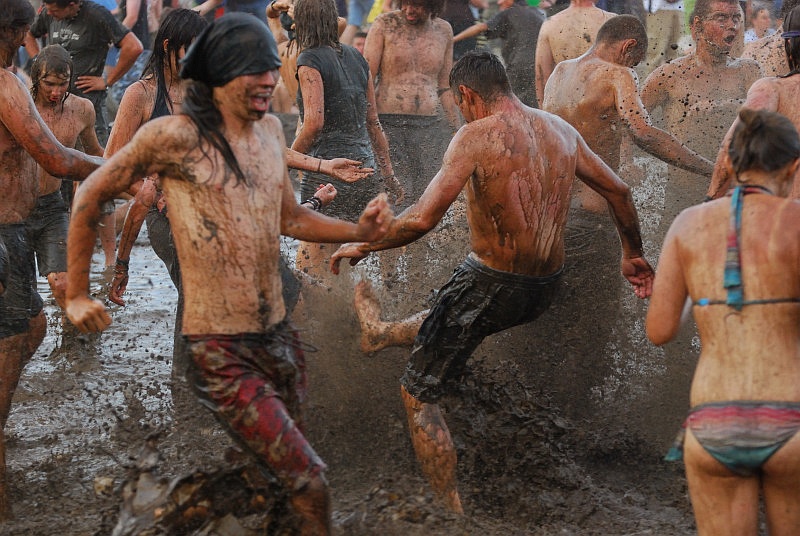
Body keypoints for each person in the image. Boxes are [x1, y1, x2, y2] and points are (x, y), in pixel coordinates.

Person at [64, 14, 393, 534]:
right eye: (254, 72)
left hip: (277, 338)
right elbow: (90, 193)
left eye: (270, 69)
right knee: (310, 483)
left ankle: (156, 520)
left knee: (275, 476)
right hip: (219, 347)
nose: (269, 81)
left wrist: (360, 230)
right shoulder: (171, 136)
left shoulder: (266, 131)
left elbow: (291, 218)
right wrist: (79, 293)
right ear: (217, 75)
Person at [330, 51, 654, 513]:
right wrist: (634, 254)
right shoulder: (561, 130)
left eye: (460, 103)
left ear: (466, 95)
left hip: (492, 284)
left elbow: (421, 219)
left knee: (418, 392)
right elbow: (619, 190)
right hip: (544, 289)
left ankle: (450, 513)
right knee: (451, 315)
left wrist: (365, 244)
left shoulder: (475, 136)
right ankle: (380, 333)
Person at [646, 108, 800, 536]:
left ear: (729, 164)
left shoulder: (687, 225)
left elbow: (659, 331)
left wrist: (694, 291)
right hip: (792, 417)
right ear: (794, 166)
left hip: (713, 425)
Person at [0, 0, 103, 518]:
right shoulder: (10, 88)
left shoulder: (29, 86)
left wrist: (105, 173)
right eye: (21, 34)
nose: (25, 42)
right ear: (15, 31)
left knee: (38, 322)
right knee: (15, 337)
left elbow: (74, 153)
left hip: (31, 221)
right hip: (6, 229)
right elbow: (56, 158)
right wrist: (121, 170)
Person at [290, 0, 398, 277]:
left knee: (313, 269)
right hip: (365, 171)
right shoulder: (357, 57)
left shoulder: (309, 60)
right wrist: (388, 175)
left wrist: (289, 159)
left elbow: (313, 123)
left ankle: (316, 318)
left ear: (301, 24)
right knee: (348, 260)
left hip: (328, 175)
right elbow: (373, 122)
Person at [641, 0, 760, 236]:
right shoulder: (670, 74)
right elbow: (632, 120)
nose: (732, 26)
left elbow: (768, 120)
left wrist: (723, 106)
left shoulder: (749, 71)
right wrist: (626, 162)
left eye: (736, 19)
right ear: (698, 26)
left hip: (734, 193)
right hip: (681, 195)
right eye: (721, 18)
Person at [25, 45, 104, 310]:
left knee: (64, 285)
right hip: (14, 207)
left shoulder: (82, 109)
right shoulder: (18, 104)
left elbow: (95, 153)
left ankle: (75, 345)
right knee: (20, 297)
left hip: (51, 206)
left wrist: (133, 170)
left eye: (63, 84)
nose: (56, 92)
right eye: (48, 84)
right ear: (36, 77)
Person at [364, 0, 462, 209]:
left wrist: (458, 127)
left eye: (417, 5)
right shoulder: (384, 24)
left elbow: (444, 85)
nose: (409, 10)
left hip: (429, 125)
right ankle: (390, 238)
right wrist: (367, 121)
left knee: (426, 190)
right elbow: (366, 78)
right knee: (396, 190)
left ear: (432, 5)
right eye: (405, 3)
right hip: (389, 123)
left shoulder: (444, 29)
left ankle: (418, 240)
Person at [709, 4, 800, 199]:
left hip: (779, 214)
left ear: (789, 48)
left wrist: (710, 200)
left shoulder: (772, 87)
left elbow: (732, 145)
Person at [25, 0, 144, 146]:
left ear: (72, 4)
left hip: (88, 103)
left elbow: (134, 47)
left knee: (94, 156)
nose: (49, 13)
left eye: (55, 11)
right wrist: (39, 62)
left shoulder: (96, 15)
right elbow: (28, 34)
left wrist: (107, 80)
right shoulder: (48, 11)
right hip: (56, 105)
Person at [453, 0, 545, 107]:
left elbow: (480, 27)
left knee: (509, 105)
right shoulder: (538, 13)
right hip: (539, 67)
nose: (498, 2)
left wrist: (453, 39)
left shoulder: (509, 12)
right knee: (535, 105)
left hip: (518, 67)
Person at [534, 0, 616, 106]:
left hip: (565, 105)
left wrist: (545, 112)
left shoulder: (550, 24)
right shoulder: (611, 21)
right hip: (602, 103)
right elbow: (625, 69)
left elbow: (541, 76)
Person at [639, 0, 686, 78]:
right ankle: (652, 84)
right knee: (656, 50)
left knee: (675, 50)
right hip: (658, 8)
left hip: (678, 7)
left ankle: (673, 82)